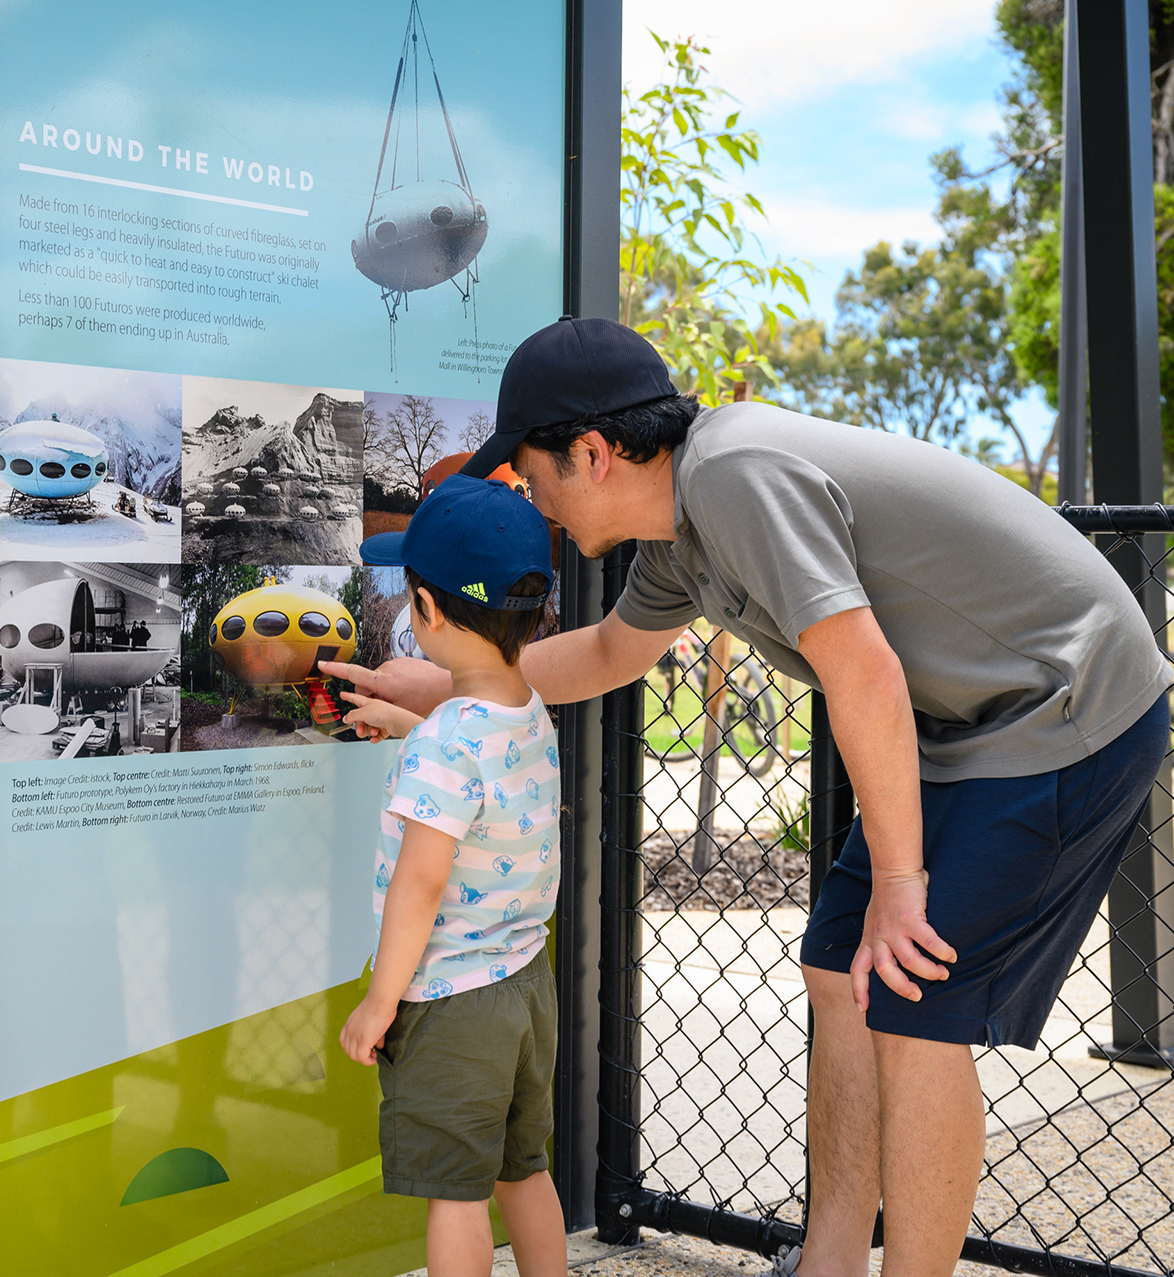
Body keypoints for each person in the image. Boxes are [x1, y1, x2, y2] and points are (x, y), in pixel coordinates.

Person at [323, 316, 1172, 1277]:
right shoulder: (682, 528)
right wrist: (438, 684)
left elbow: (864, 672)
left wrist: (902, 882)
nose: (536, 500)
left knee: (910, 997)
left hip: (1067, 704)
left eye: (533, 472)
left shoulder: (734, 474)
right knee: (836, 972)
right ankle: (832, 1261)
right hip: (962, 727)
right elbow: (609, 653)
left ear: (592, 454)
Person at [335, 474, 566, 1277]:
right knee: (523, 1167)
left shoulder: (443, 746)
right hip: (523, 988)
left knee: (456, 1193)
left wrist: (379, 999)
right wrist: (407, 727)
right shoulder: (526, 707)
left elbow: (421, 883)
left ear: (426, 611)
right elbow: (482, 774)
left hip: (451, 999)